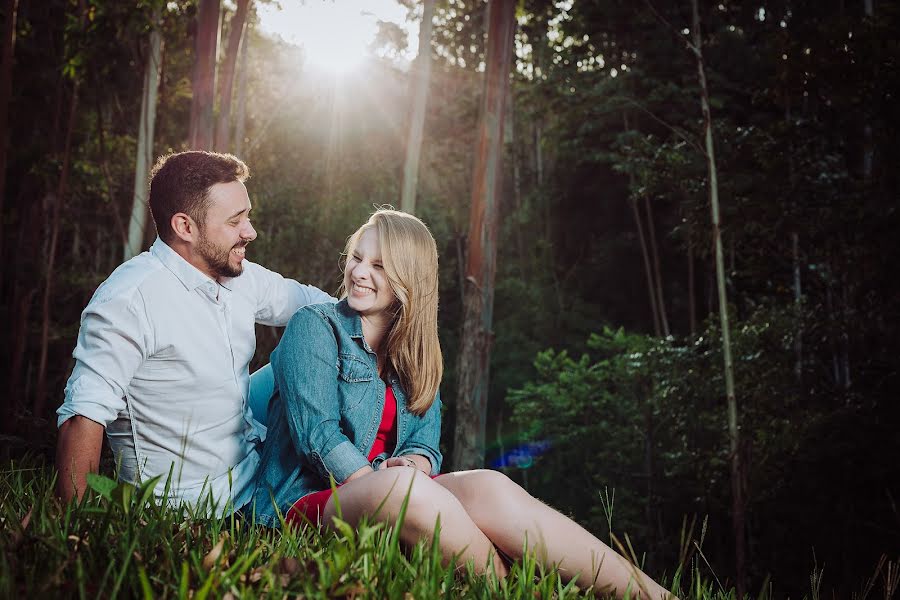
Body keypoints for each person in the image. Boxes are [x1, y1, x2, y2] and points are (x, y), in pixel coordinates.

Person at [250, 209, 675, 599]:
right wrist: (385, 482)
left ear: (408, 278)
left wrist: (413, 468)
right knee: (404, 489)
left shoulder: (417, 352)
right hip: (305, 502)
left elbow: (424, 448)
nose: (359, 272)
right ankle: (520, 589)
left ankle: (651, 594)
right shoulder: (315, 326)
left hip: (393, 494)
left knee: (487, 484)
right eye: (357, 258)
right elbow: (317, 439)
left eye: (379, 265)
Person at [55, 151, 334, 514]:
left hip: (251, 456)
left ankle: (374, 457)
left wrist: (384, 319)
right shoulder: (129, 299)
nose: (250, 232)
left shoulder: (237, 274)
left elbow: (313, 305)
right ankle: (363, 479)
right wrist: (71, 518)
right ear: (185, 227)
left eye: (247, 217)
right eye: (236, 221)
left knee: (309, 344)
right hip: (197, 504)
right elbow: (83, 414)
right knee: (372, 499)